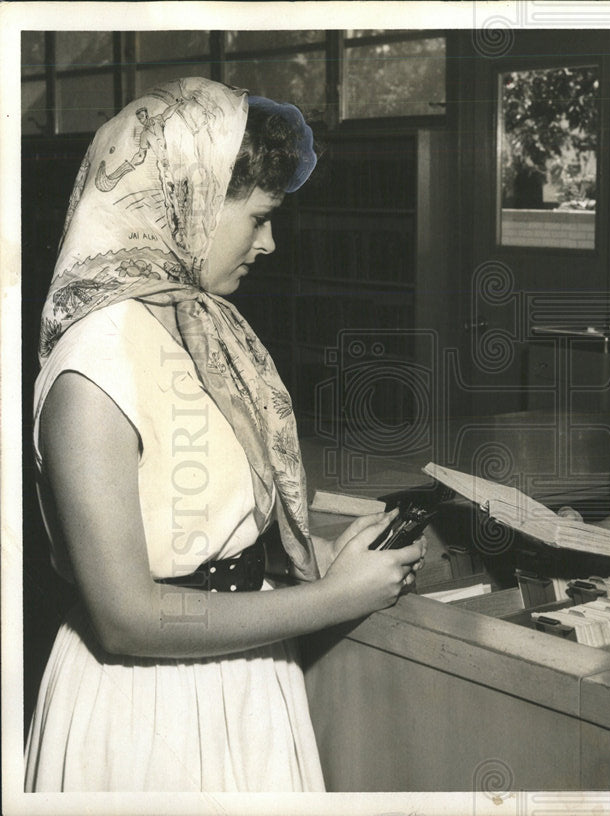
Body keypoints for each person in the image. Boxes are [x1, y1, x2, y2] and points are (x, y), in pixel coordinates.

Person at [24, 77, 424, 792]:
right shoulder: (93, 365)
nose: (269, 243)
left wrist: (324, 554)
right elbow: (126, 617)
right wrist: (337, 598)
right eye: (259, 218)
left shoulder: (200, 329)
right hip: (149, 712)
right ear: (185, 207)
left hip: (242, 681)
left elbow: (199, 524)